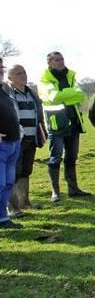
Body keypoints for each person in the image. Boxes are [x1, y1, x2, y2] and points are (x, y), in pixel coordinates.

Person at [38, 51, 91, 203]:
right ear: (49, 63)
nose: (60, 62)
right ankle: (56, 191)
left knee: (71, 157)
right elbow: (53, 97)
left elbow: (81, 95)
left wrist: (64, 94)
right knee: (55, 158)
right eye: (56, 60)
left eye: (61, 59)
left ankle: (73, 189)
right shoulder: (44, 80)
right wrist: (70, 94)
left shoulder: (71, 75)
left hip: (74, 122)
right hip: (56, 124)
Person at [6, 65, 46, 217]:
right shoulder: (7, 93)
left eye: (24, 72)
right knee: (13, 173)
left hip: (31, 138)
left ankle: (25, 202)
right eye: (18, 73)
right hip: (16, 139)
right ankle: (13, 207)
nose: (23, 75)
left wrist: (41, 133)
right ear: (10, 78)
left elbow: (39, 114)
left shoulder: (31, 93)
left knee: (25, 171)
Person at [0, 58, 23, 229]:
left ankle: (3, 218)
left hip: (13, 143)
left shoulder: (4, 90)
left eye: (1, 67)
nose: (1, 70)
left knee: (8, 183)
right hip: (1, 145)